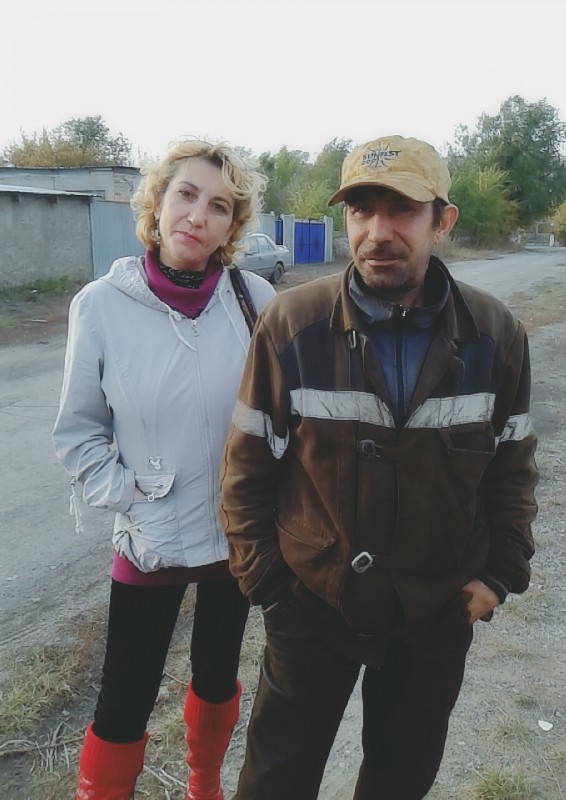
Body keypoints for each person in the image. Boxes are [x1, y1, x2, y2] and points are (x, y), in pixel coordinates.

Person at [219, 135, 538, 799]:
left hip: (436, 608)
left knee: (400, 777)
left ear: (442, 221)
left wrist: (498, 575)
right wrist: (271, 590)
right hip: (311, 605)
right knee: (275, 781)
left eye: (402, 210)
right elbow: (246, 468)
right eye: (361, 210)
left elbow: (513, 467)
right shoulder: (291, 325)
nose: (378, 231)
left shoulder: (494, 333)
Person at [52, 139, 275, 800]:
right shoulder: (100, 305)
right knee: (124, 696)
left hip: (235, 533)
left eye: (219, 206)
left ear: (232, 226)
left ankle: (203, 783)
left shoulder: (256, 299)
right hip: (150, 538)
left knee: (217, 674)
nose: (198, 216)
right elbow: (79, 430)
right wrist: (130, 496)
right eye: (187, 194)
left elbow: (280, 412)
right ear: (157, 201)